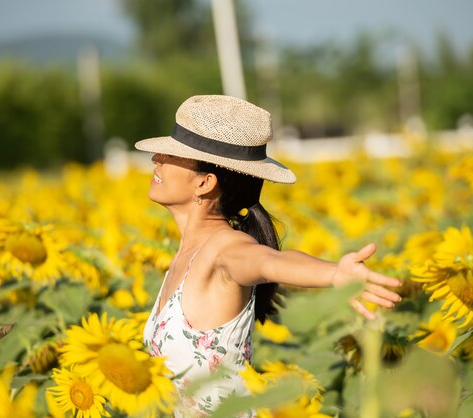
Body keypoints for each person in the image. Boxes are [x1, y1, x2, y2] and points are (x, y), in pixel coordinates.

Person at [137, 95, 402, 416]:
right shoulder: (187, 254)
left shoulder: (224, 248)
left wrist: (334, 274)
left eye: (173, 156)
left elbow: (269, 262)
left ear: (205, 183)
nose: (156, 158)